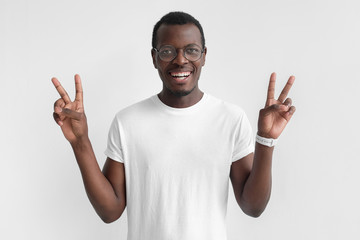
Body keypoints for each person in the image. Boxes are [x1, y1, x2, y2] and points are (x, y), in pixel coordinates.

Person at [52, 11, 296, 240]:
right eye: (168, 51)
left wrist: (266, 139)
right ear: (154, 57)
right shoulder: (128, 121)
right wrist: (80, 142)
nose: (181, 60)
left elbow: (253, 206)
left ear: (204, 55)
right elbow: (110, 211)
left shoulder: (230, 118)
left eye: (191, 50)